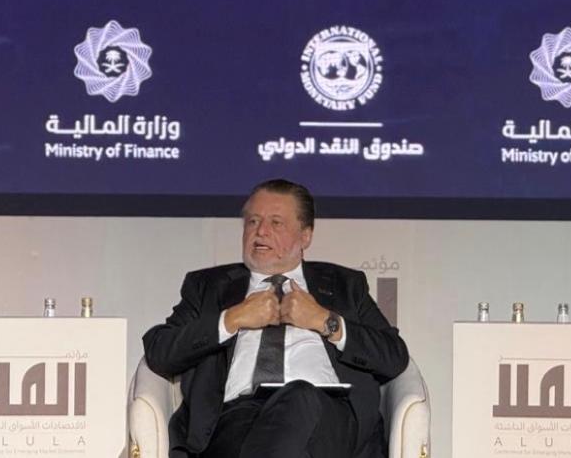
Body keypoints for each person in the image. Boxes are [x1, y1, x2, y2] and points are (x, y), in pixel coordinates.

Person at [143, 178, 409, 458]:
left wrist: (325, 321)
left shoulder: (346, 285)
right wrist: (231, 319)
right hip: (236, 417)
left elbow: (393, 356)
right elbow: (160, 351)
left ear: (305, 236)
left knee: (299, 396)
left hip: (327, 416)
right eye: (253, 221)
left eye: (276, 223)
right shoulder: (207, 286)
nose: (261, 231)